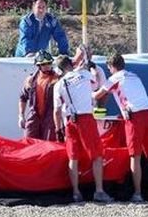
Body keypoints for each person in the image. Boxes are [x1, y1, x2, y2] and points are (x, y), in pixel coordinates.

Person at [93, 53, 148, 203]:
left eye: (109, 68)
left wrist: (86, 88)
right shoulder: (134, 76)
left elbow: (98, 95)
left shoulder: (114, 78)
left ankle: (138, 193)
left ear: (111, 67)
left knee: (134, 157)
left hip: (135, 118)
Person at [52, 55, 113, 203]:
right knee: (97, 155)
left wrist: (58, 129)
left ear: (60, 70)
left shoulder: (59, 84)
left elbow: (57, 111)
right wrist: (92, 68)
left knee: (73, 158)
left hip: (70, 121)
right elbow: (97, 84)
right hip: (86, 118)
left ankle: (75, 192)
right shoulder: (84, 75)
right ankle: (99, 191)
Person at [18, 51, 60, 140]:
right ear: (38, 65)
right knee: (29, 141)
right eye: (44, 64)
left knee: (49, 143)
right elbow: (23, 97)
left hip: (50, 117)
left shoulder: (57, 79)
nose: (47, 66)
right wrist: (21, 115)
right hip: (34, 115)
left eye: (49, 63)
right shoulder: (31, 80)